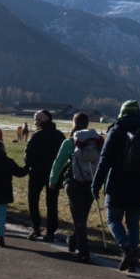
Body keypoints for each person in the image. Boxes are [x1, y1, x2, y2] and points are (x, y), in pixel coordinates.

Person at [92, 100, 140, 271]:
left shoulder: (116, 131)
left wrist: (96, 184)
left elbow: (104, 161)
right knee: (133, 222)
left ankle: (126, 247)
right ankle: (132, 260)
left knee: (113, 219)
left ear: (121, 113)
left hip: (118, 185)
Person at [49, 112, 104, 263]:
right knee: (82, 217)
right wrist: (103, 184)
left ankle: (84, 251)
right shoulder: (99, 141)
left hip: (73, 183)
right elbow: (104, 164)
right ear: (87, 123)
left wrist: (53, 181)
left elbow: (59, 162)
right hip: (92, 184)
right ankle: (73, 240)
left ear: (74, 123)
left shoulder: (69, 142)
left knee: (78, 217)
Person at [23, 109, 64, 242]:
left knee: (33, 200)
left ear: (40, 121)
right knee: (52, 203)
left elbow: (29, 154)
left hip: (37, 173)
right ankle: (50, 231)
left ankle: (36, 227)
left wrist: (27, 165)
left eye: (37, 120)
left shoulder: (37, 135)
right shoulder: (59, 135)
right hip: (54, 173)